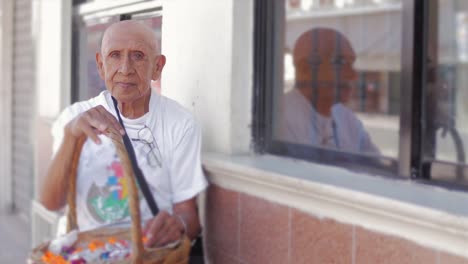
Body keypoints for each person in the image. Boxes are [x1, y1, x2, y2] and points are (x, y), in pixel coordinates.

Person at [39, 20, 208, 248]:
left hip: (147, 256)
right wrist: (71, 135)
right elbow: (51, 202)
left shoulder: (179, 123)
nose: (125, 69)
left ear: (157, 67)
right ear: (100, 65)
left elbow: (189, 217)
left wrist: (177, 227)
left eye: (138, 56)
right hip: (86, 254)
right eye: (115, 55)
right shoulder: (74, 117)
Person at [278, 27, 379, 154]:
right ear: (305, 68)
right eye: (340, 62)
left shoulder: (346, 118)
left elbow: (375, 165)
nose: (353, 75)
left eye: (351, 64)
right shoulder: (280, 119)